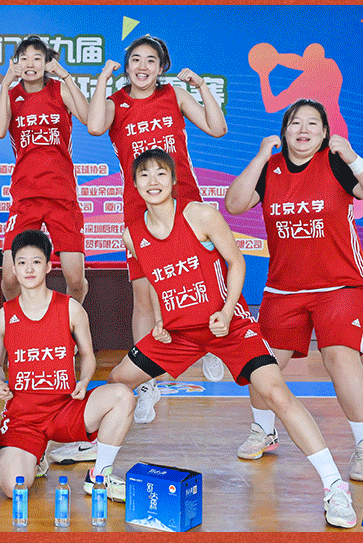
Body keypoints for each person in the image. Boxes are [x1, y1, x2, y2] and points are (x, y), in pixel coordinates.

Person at [108, 147, 357, 528]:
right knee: (117, 382)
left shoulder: (200, 215)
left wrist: (226, 311)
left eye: (160, 174)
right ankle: (101, 469)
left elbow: (236, 262)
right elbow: (156, 280)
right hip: (179, 332)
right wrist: (159, 318)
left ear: (173, 180)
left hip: (228, 325)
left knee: (277, 393)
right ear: (135, 184)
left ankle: (335, 486)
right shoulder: (132, 234)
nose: (153, 181)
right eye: (144, 175)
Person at [86, 34, 229, 425]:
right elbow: (95, 126)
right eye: (136, 59)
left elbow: (217, 128)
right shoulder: (116, 102)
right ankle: (147, 382)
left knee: (204, 279)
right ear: (127, 65)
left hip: (185, 204)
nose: (143, 66)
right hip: (139, 211)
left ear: (161, 67)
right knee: (145, 295)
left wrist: (200, 87)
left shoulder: (174, 96)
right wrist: (102, 79)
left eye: (151, 60)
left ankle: (213, 343)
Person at [224, 99, 363, 482]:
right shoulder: (270, 168)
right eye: (295, 123)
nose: (303, 129)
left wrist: (353, 158)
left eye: (312, 123)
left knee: (340, 358)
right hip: (284, 290)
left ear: (325, 133)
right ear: (284, 131)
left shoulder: (336, 163)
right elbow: (234, 205)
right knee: (261, 362)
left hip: (339, 284)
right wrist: (260, 157)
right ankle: (264, 430)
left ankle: (362, 444)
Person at [0, 229, 134, 500]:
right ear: (14, 269)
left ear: (48, 266)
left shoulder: (70, 308)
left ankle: (99, 475)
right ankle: (35, 455)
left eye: (36, 262)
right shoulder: (3, 317)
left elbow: (87, 356)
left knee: (123, 396)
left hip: (65, 408)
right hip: (24, 418)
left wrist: (84, 380)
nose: (29, 269)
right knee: (13, 487)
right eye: (22, 263)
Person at [0, 36, 89, 303]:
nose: (30, 64)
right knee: (10, 278)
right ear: (16, 63)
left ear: (47, 62)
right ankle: (18, 324)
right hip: (26, 196)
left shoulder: (59, 90)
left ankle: (71, 324)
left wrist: (66, 76)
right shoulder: (12, 96)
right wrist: (5, 84)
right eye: (24, 58)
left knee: (75, 280)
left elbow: (88, 118)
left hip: (62, 195)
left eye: (37, 58)